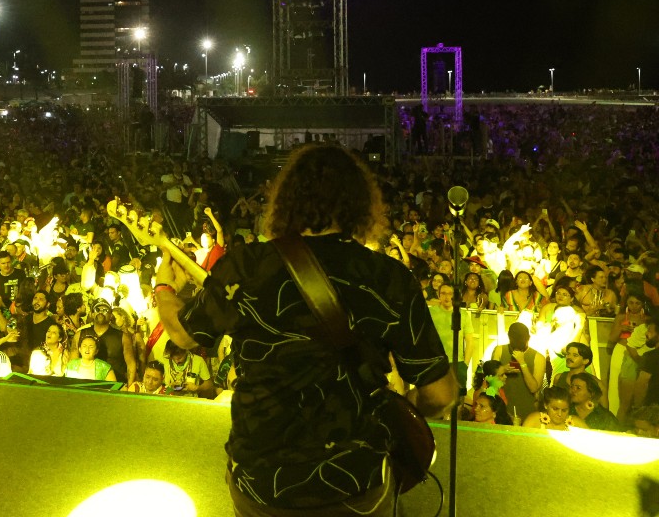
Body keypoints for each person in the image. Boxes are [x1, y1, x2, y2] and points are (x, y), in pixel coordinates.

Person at [140, 144, 457, 514]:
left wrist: (164, 288)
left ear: (286, 201)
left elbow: (182, 334)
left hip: (263, 481)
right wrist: (399, 410)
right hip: (355, 482)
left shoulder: (246, 267)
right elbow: (441, 393)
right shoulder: (388, 279)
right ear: (358, 204)